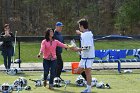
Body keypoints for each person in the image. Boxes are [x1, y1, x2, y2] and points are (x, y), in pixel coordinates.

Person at [72, 19, 95, 93]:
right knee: (78, 71)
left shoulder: (86, 35)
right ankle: (89, 85)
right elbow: (84, 35)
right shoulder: (86, 34)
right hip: (85, 57)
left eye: (79, 26)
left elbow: (87, 47)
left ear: (82, 26)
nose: (79, 28)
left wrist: (77, 49)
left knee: (88, 72)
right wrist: (80, 33)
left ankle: (89, 89)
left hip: (88, 57)